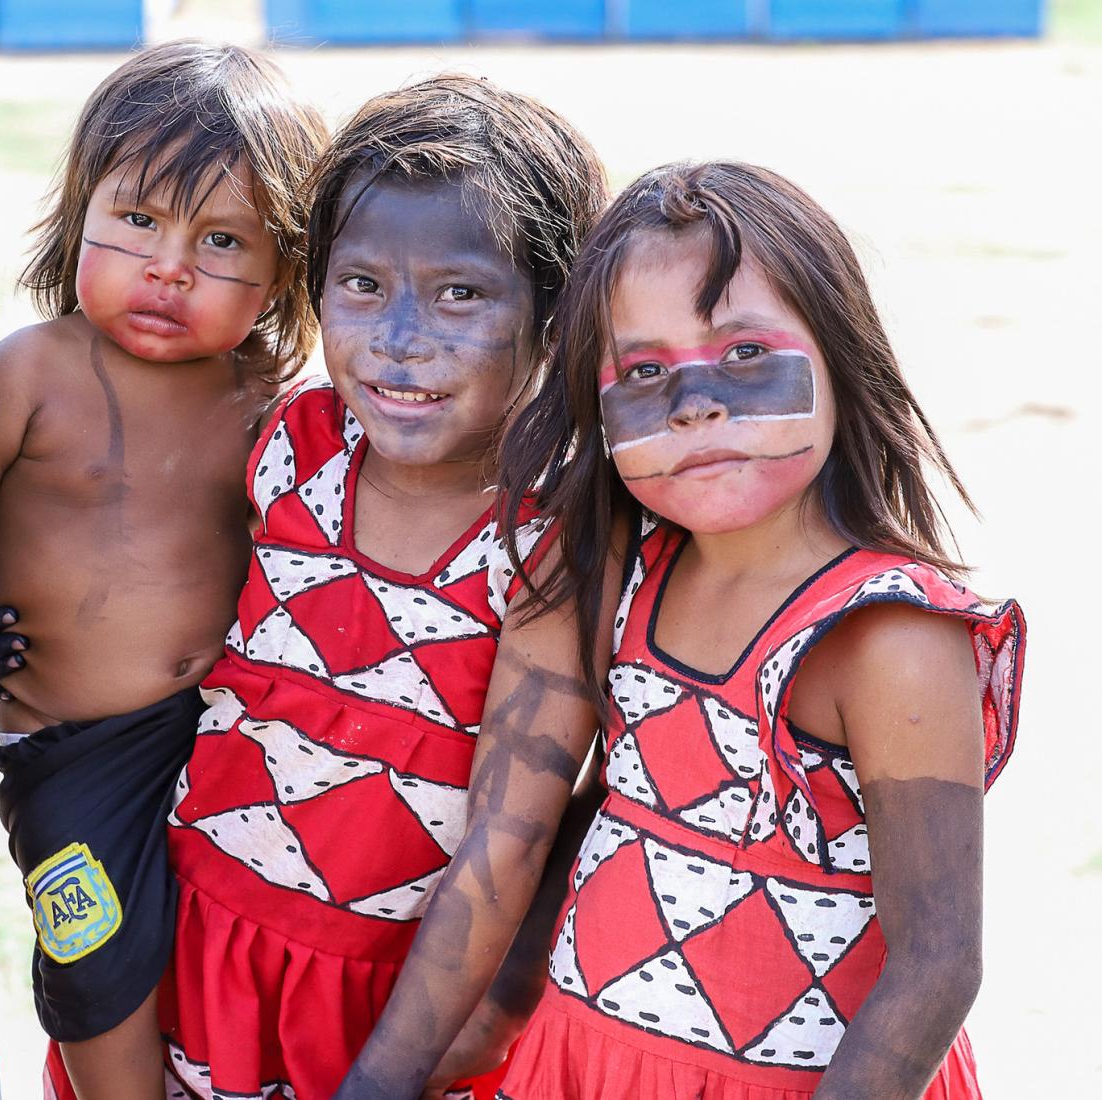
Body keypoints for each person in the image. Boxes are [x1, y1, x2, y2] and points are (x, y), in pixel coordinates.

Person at [474, 161, 1025, 1099]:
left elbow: (938, 965)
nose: (695, 403)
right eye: (645, 371)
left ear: (843, 355)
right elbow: (617, 812)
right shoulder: (635, 575)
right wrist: (493, 1017)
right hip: (584, 1062)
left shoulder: (889, 636)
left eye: (742, 354)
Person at [153, 76, 607, 1100]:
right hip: (197, 951)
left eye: (461, 293)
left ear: (554, 307)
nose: (402, 337)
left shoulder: (543, 540)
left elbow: (507, 832)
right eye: (361, 284)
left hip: (394, 1011)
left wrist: (386, 1076)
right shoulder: (290, 448)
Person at [0, 41, 326, 1100]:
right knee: (95, 952)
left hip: (230, 731)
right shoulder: (30, 373)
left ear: (283, 270)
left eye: (221, 241)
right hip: (72, 752)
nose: (171, 266)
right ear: (80, 211)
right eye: (138, 222)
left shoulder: (270, 395)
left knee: (231, 934)